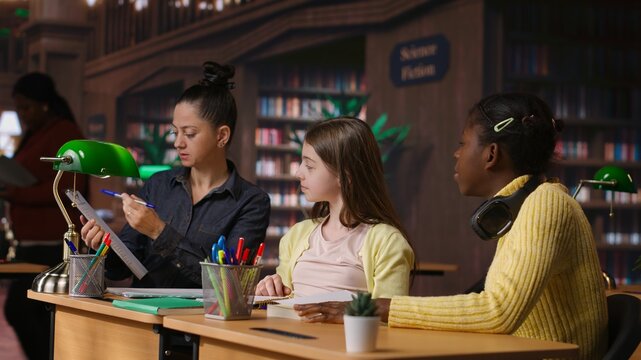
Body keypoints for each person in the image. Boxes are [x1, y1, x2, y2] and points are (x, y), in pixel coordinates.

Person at [295, 93, 608, 359]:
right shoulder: (528, 205)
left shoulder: (545, 203)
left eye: (463, 142)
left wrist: (380, 308)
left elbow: (498, 311)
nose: (456, 153)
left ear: (491, 153)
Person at [81, 61, 271, 288]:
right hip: (143, 315)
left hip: (200, 321)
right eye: (175, 131)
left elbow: (228, 285)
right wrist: (103, 246)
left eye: (189, 133)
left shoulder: (250, 202)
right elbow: (121, 269)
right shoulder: (159, 185)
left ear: (222, 136)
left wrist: (158, 231)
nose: (178, 143)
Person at [255, 116, 414, 300]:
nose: (298, 173)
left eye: (309, 165)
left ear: (344, 175)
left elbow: (391, 313)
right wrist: (269, 289)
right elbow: (281, 304)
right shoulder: (297, 235)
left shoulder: (387, 242)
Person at [1, 72, 87, 360]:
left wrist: (13, 193)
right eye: (19, 108)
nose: (23, 115)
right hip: (32, 240)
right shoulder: (35, 134)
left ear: (44, 104)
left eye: (26, 107)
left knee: (24, 309)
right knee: (30, 312)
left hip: (54, 242)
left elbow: (66, 190)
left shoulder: (65, 133)